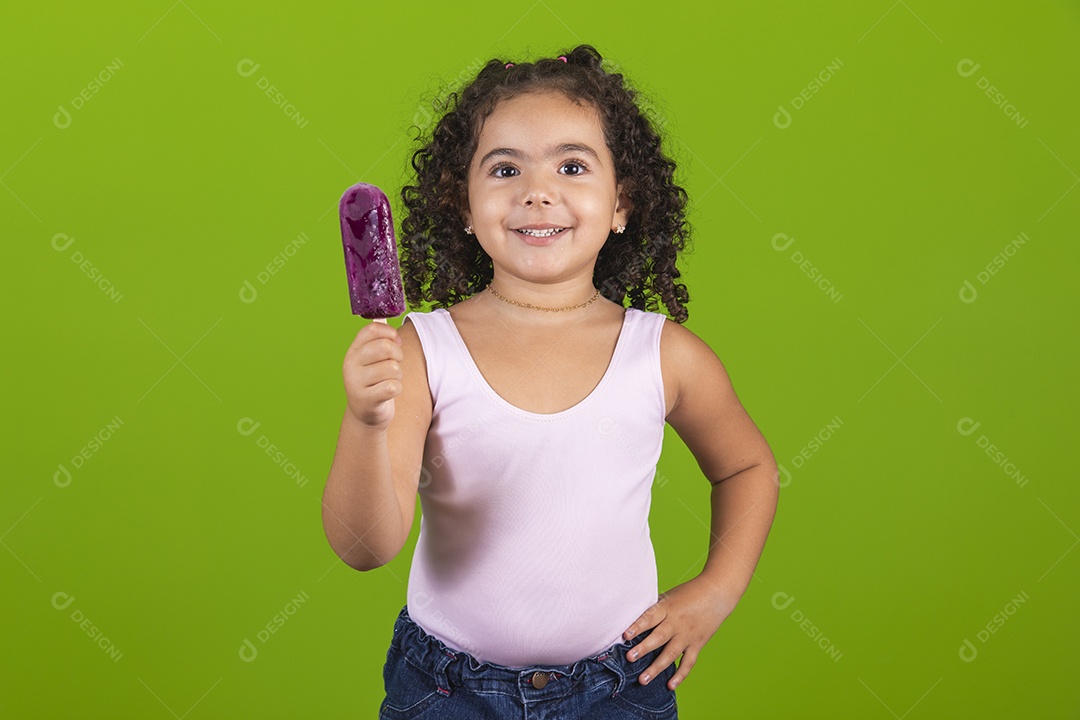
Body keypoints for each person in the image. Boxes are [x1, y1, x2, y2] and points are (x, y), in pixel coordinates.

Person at [322, 44, 779, 719]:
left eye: (571, 165)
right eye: (505, 168)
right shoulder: (422, 350)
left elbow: (747, 467)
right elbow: (366, 549)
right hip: (446, 691)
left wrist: (716, 590)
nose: (538, 191)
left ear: (622, 201)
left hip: (618, 690)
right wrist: (366, 421)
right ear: (465, 207)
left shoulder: (664, 354)